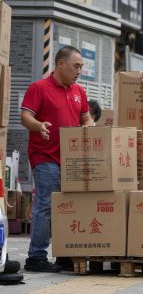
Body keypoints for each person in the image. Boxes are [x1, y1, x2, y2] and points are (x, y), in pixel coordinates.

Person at [21, 45, 94, 272]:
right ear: (60, 64)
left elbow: (87, 119)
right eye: (76, 66)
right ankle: (36, 257)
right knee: (46, 204)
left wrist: (90, 128)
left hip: (71, 160)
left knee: (68, 207)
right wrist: (38, 125)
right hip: (45, 157)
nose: (79, 70)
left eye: (81, 66)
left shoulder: (78, 92)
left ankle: (64, 254)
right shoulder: (39, 88)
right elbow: (25, 116)